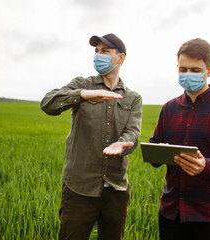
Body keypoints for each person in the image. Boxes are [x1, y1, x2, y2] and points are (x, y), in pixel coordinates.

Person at [41, 33, 142, 240]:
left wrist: (121, 145)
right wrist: (80, 95)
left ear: (120, 58)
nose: (99, 55)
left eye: (105, 51)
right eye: (96, 51)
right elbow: (48, 104)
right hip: (79, 187)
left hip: (116, 188)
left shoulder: (132, 98)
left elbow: (133, 132)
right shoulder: (82, 83)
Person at [149, 38, 210, 240]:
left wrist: (207, 166)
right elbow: (155, 147)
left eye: (195, 70)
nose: (188, 75)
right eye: (183, 69)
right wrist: (157, 152)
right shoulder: (169, 108)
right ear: (177, 68)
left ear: (209, 70)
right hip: (171, 213)